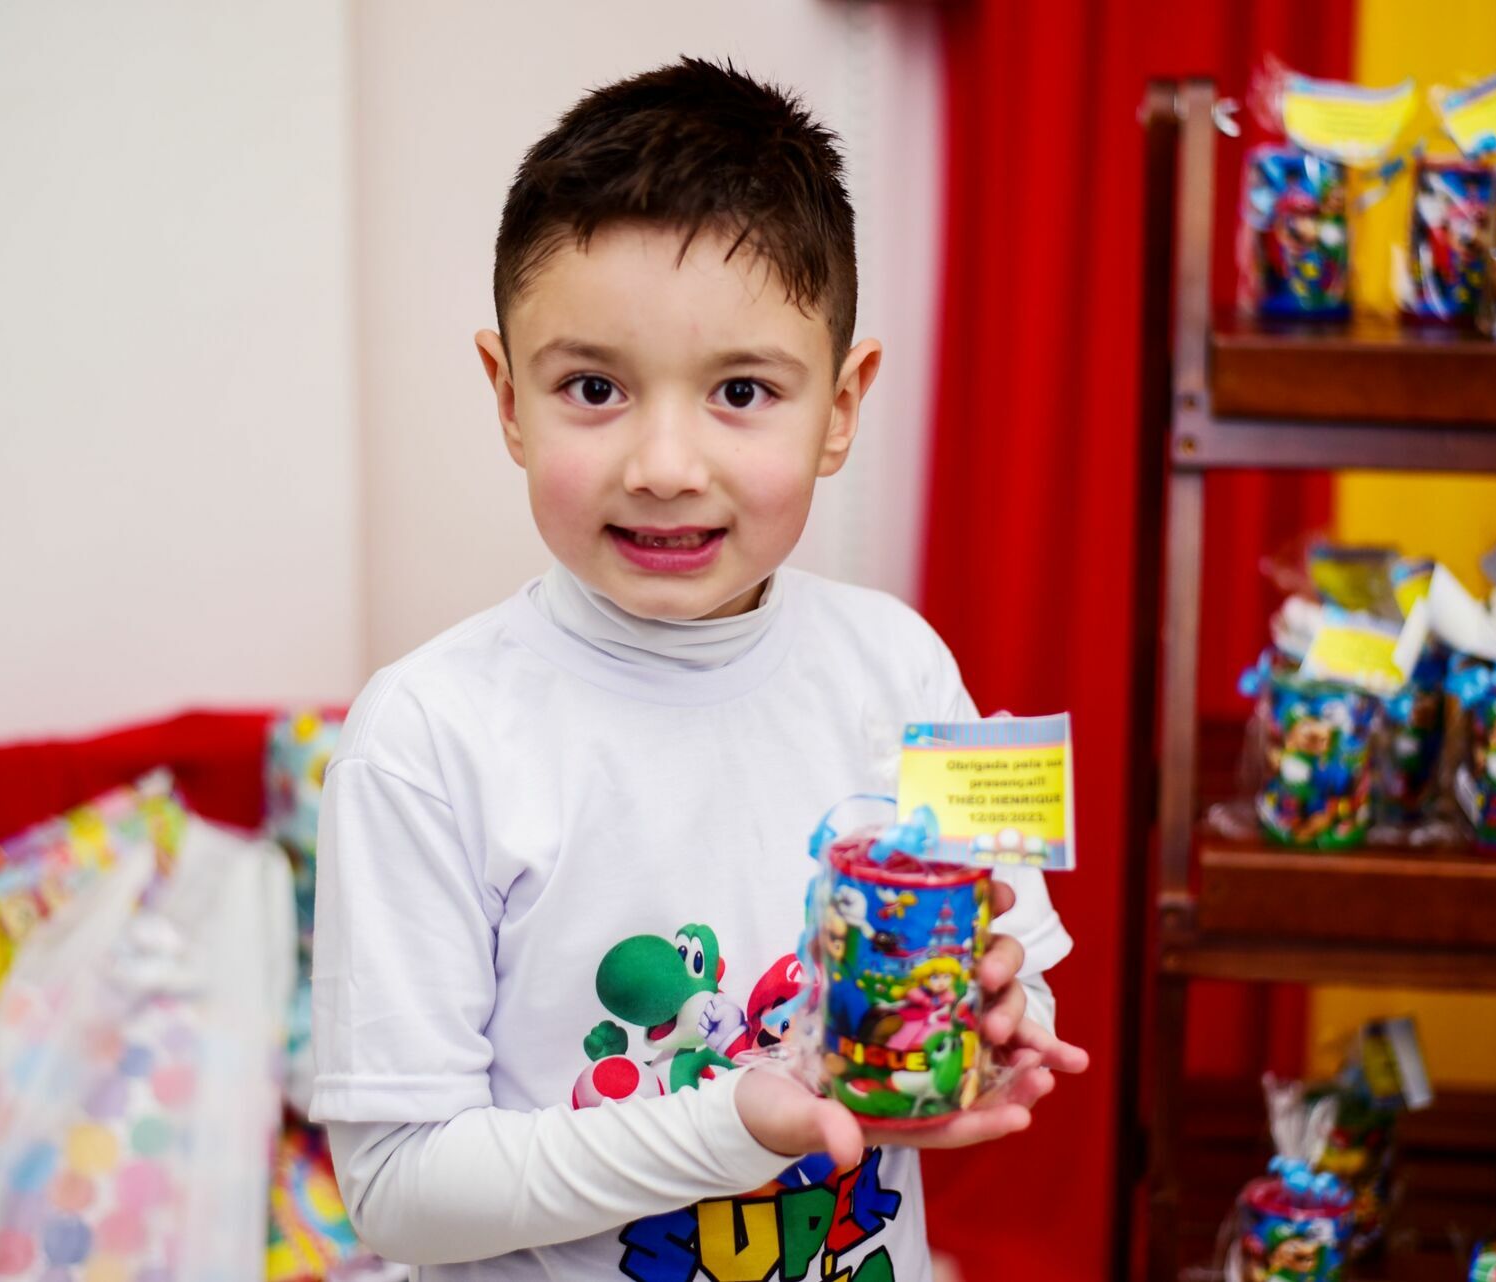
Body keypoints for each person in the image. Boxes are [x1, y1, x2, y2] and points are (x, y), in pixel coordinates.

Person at [312, 57, 1087, 1281]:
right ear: (507, 396)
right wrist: (730, 1126)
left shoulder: (900, 666)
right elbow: (400, 1189)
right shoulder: (427, 735)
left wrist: (998, 1017)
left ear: (840, 405)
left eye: (740, 390)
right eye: (593, 388)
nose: (665, 462)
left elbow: (1016, 973)